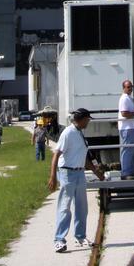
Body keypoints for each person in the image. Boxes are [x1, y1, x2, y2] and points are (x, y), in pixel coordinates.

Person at [48, 108, 104, 253]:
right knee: (65, 207)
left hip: (79, 173)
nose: (88, 122)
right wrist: (53, 177)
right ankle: (59, 240)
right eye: (87, 119)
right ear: (80, 119)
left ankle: (80, 236)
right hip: (68, 173)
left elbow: (84, 158)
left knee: (81, 207)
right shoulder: (68, 133)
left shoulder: (80, 133)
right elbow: (56, 155)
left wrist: (96, 172)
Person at [118, 79, 134, 179]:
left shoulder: (128, 97)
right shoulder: (124, 98)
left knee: (131, 150)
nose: (130, 89)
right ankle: (125, 173)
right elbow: (124, 113)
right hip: (126, 128)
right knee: (127, 150)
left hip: (130, 127)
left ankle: (130, 172)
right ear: (124, 88)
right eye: (128, 87)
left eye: (131, 87)